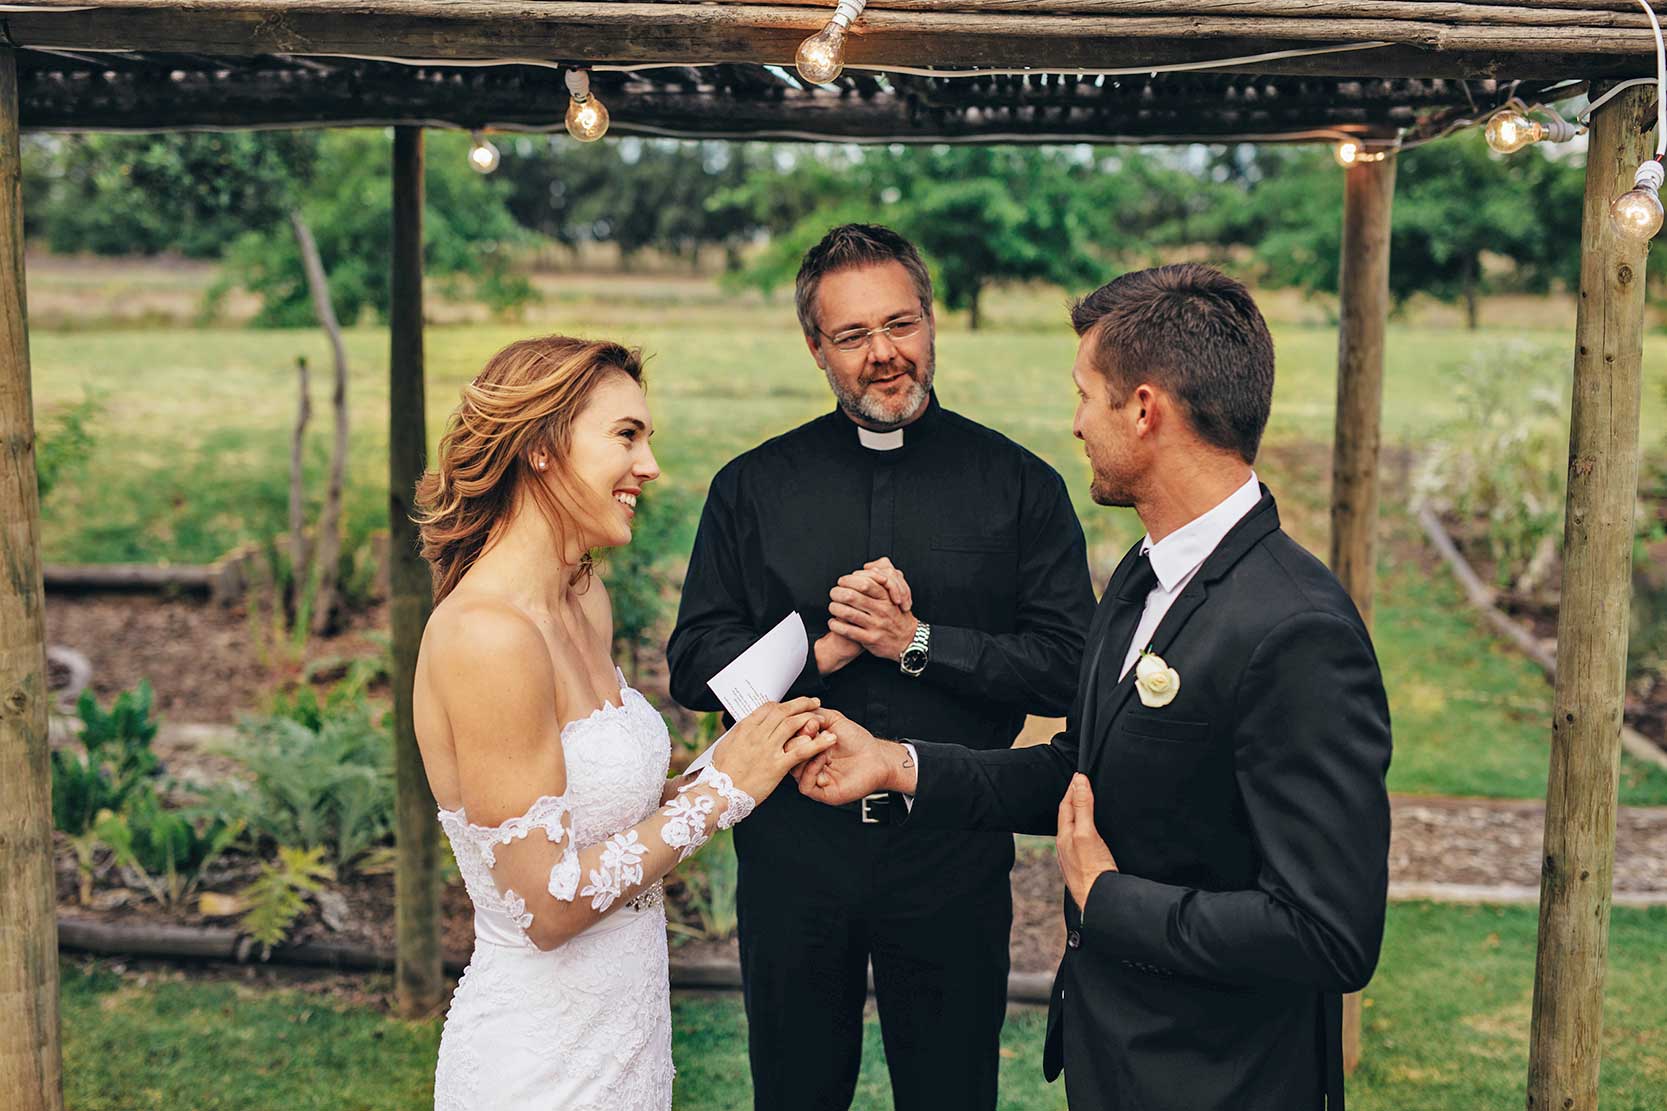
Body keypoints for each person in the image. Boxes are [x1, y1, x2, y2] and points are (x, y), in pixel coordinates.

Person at [797, 264, 1394, 1111]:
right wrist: (896, 763)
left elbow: (1328, 933)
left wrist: (1110, 902)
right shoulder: (1142, 575)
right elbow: (1079, 769)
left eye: (1085, 394)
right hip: (1115, 1060)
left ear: (1143, 409)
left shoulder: (1297, 630)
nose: (1074, 423)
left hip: (1223, 1081)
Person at [666, 224, 1095, 1111]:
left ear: (931, 322)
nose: (883, 354)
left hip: (950, 844)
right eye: (853, 336)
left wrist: (918, 641)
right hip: (790, 852)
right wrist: (821, 646)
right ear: (815, 348)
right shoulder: (751, 487)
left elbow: (1066, 670)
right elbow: (693, 666)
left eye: (899, 324)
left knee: (949, 1091)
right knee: (794, 1090)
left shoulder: (1020, 487)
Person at [409, 335, 835, 1110]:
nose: (650, 466)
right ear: (540, 448)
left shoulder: (581, 598)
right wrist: (720, 797)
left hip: (628, 1032)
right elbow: (546, 902)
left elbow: (599, 818)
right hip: (539, 1063)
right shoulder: (487, 636)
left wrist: (730, 761)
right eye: (626, 436)